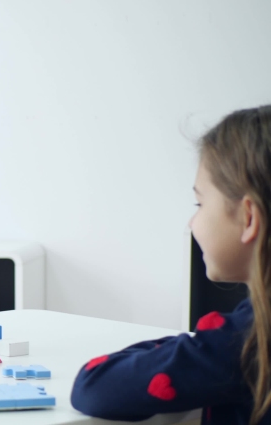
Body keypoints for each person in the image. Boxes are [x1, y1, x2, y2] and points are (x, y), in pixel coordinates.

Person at [71, 105, 271, 424]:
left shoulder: (245, 343)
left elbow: (94, 385)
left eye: (200, 203)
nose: (193, 222)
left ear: (249, 217)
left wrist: (193, 345)